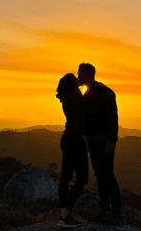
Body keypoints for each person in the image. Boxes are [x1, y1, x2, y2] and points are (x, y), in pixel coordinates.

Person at [78, 62, 122, 226]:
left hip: (105, 142)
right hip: (93, 142)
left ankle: (116, 213)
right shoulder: (87, 93)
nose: (79, 76)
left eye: (81, 74)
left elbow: (113, 117)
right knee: (100, 176)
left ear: (89, 75)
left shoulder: (105, 92)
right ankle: (104, 210)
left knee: (108, 176)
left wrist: (112, 140)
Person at [55, 73, 89, 228]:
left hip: (67, 138)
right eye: (75, 80)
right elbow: (87, 111)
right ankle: (66, 216)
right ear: (72, 84)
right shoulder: (76, 99)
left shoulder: (66, 98)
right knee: (82, 178)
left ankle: (64, 214)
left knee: (66, 178)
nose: (78, 81)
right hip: (75, 140)